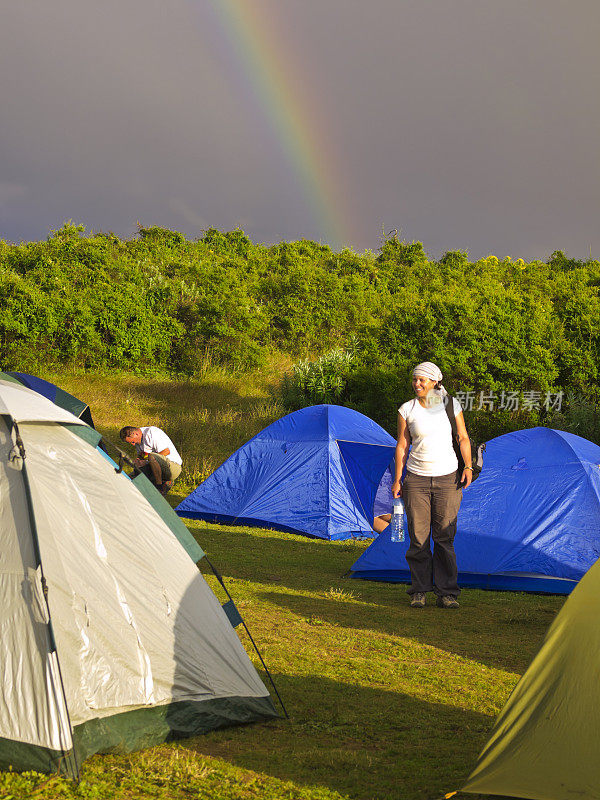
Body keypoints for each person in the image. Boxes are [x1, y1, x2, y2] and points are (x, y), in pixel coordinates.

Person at [391, 362, 472, 609]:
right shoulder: (407, 409)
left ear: (435, 381)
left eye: (422, 380)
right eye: (415, 379)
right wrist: (397, 479)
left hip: (448, 478)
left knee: (444, 537)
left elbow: (462, 437)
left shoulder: (450, 406)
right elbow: (402, 445)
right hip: (416, 479)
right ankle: (419, 590)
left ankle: (447, 593)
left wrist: (468, 466)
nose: (417, 384)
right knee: (418, 538)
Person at [119, 425, 182, 496]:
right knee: (128, 478)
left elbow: (166, 451)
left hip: (172, 467)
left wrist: (146, 461)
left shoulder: (152, 433)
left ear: (136, 434)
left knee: (151, 456)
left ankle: (159, 486)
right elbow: (142, 457)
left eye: (133, 442)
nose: (133, 444)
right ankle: (146, 491)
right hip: (155, 467)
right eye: (130, 443)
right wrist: (137, 461)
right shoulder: (138, 441)